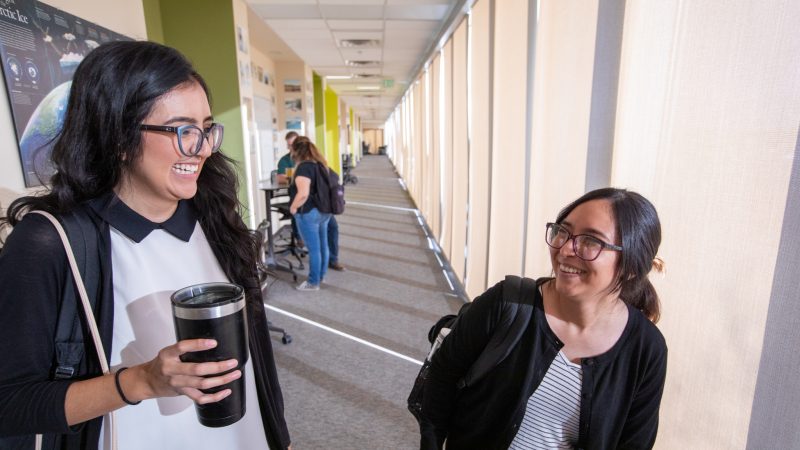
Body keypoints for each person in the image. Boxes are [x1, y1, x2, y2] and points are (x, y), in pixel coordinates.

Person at [0, 41, 291, 449]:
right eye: (183, 130)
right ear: (118, 138)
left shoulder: (216, 217)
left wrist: (280, 436)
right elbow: (10, 403)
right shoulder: (50, 243)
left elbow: (256, 348)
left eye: (206, 129)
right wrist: (141, 381)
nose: (203, 149)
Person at [420, 188, 667, 449]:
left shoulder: (646, 349)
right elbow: (442, 375)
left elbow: (634, 443)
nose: (566, 249)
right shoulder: (509, 303)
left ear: (631, 266)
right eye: (563, 231)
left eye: (591, 241)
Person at [288, 137, 332, 291]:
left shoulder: (304, 168)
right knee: (323, 246)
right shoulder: (320, 165)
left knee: (314, 249)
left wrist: (293, 208)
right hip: (324, 211)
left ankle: (313, 282)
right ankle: (321, 276)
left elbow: (303, 194)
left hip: (308, 213)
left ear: (296, 151)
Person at [275, 131, 302, 248]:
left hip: (310, 195)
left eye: (293, 144)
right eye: (289, 145)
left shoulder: (307, 158)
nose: (290, 147)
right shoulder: (285, 160)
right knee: (296, 205)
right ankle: (299, 237)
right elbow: (280, 178)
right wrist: (298, 178)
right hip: (295, 194)